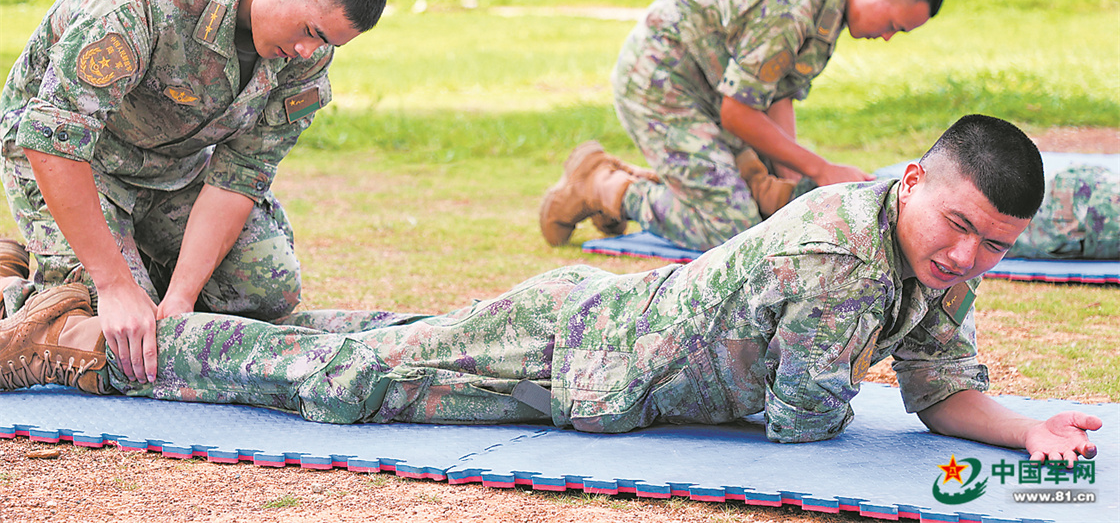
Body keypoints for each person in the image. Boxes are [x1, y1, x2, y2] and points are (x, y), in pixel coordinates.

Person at [0, 115, 1101, 464]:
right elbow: (806, 420)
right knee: (346, 384)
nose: (968, 259)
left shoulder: (927, 255)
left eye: (995, 247)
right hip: (572, 351)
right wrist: (911, 368)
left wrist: (1020, 427)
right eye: (958, 226)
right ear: (912, 184)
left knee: (386, 341)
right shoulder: (838, 255)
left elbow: (937, 384)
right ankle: (69, 341)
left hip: (591, 334)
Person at [0, 0, 390, 388]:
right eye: (311, 32)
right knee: (123, 346)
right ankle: (20, 286)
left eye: (329, 44)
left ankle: (125, 270)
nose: (311, 51)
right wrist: (115, 285)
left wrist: (182, 299)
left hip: (172, 169)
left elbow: (241, 175)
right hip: (76, 164)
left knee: (262, 292)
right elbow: (53, 141)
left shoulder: (305, 56)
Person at [540, 0, 945, 251]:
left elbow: (777, 96)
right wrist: (820, 169)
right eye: (893, 24)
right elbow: (738, 113)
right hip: (662, 88)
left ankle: (688, 184)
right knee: (732, 235)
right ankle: (603, 186)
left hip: (713, 91)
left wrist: (792, 181)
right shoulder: (791, 7)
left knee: (773, 207)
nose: (889, 37)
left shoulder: (827, 8)